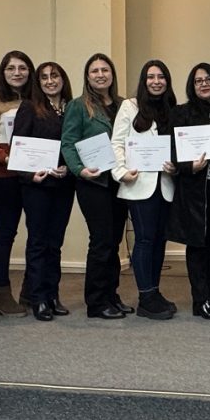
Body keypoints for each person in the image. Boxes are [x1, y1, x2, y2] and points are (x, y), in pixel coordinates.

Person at [60, 53, 134, 320]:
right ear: (87, 76)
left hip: (119, 182)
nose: (100, 74)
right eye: (95, 71)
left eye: (105, 70)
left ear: (112, 74)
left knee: (115, 242)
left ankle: (112, 295)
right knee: (101, 241)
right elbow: (67, 143)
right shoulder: (78, 106)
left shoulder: (125, 104)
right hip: (94, 182)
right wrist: (80, 170)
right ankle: (96, 301)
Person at [168, 62, 210, 320]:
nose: (204, 84)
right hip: (196, 187)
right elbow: (173, 151)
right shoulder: (181, 113)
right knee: (198, 243)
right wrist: (189, 166)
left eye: (208, 79)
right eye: (198, 81)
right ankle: (201, 300)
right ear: (192, 86)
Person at [111, 60, 178, 320]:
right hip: (138, 185)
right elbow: (117, 142)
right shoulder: (130, 106)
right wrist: (121, 172)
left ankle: (155, 291)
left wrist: (176, 166)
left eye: (161, 76)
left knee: (160, 241)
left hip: (166, 185)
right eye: (151, 77)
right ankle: (146, 297)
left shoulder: (172, 109)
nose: (156, 81)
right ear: (143, 80)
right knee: (145, 239)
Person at [12, 61, 75, 321]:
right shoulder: (29, 107)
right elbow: (18, 147)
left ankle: (52, 295)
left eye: (55, 76)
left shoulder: (71, 108)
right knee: (38, 242)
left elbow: (75, 145)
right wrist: (30, 174)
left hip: (63, 184)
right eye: (44, 77)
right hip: (36, 185)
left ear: (63, 79)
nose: (50, 81)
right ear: (38, 83)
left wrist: (68, 169)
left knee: (55, 243)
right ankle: (37, 298)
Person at [0, 50, 36, 316]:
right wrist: (11, 158)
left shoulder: (39, 100)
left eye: (22, 68)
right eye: (11, 68)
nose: (17, 73)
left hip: (36, 177)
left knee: (37, 235)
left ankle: (31, 292)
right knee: (5, 234)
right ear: (3, 72)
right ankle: (1, 294)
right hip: (5, 178)